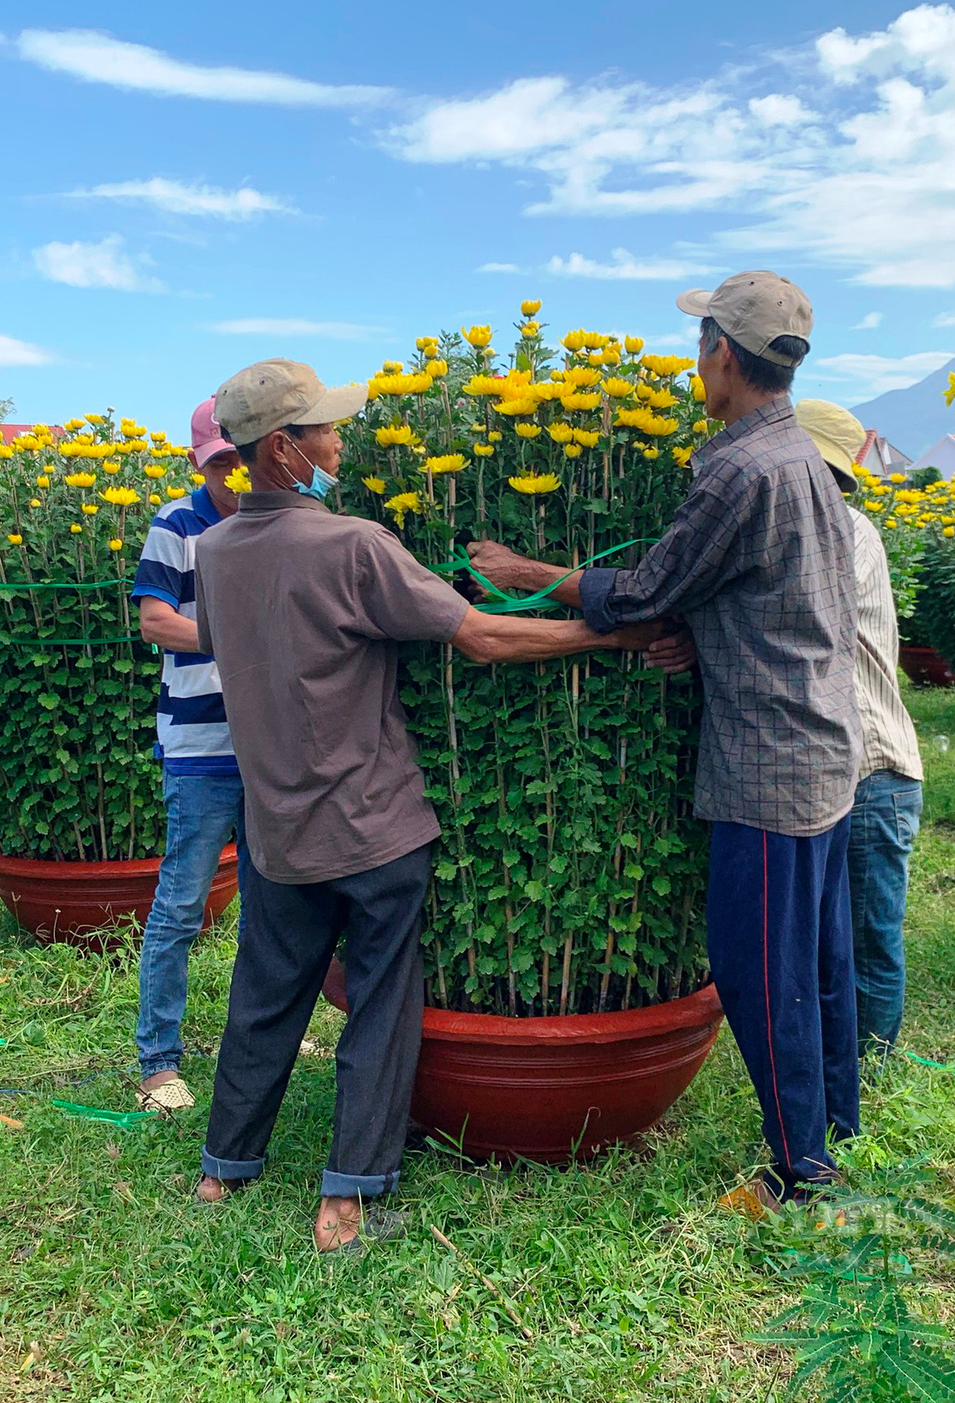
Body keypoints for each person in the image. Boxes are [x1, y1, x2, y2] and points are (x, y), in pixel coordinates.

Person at [191, 358, 666, 1253]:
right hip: (372, 822)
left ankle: (224, 1168)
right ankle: (346, 1200)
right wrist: (607, 631)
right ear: (284, 450)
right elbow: (481, 635)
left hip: (276, 827)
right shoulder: (354, 543)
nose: (342, 442)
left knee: (263, 993)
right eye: (327, 431)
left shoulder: (212, 554)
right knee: (380, 999)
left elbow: (231, 645)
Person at [469, 271, 862, 1208]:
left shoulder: (738, 465)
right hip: (822, 744)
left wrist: (531, 571)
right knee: (819, 961)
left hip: (770, 763)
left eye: (699, 346)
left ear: (723, 352)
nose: (696, 362)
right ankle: (844, 1135)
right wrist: (711, 636)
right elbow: (776, 597)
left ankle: (804, 1171)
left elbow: (646, 591)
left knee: (761, 971)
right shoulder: (802, 457)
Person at [797, 400, 924, 1064]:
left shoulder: (847, 531)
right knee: (831, 935)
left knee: (869, 936)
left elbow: (803, 621)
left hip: (873, 771)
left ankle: (868, 1073)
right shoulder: (812, 528)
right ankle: (840, 1063)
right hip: (837, 769)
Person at [127, 397, 243, 1115]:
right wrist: (243, 634)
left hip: (271, 746)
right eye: (220, 464)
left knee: (276, 902)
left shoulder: (280, 522)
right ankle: (157, 1059)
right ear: (199, 464)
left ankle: (268, 1031)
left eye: (242, 459)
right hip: (200, 744)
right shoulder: (178, 524)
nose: (234, 476)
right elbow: (154, 619)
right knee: (182, 902)